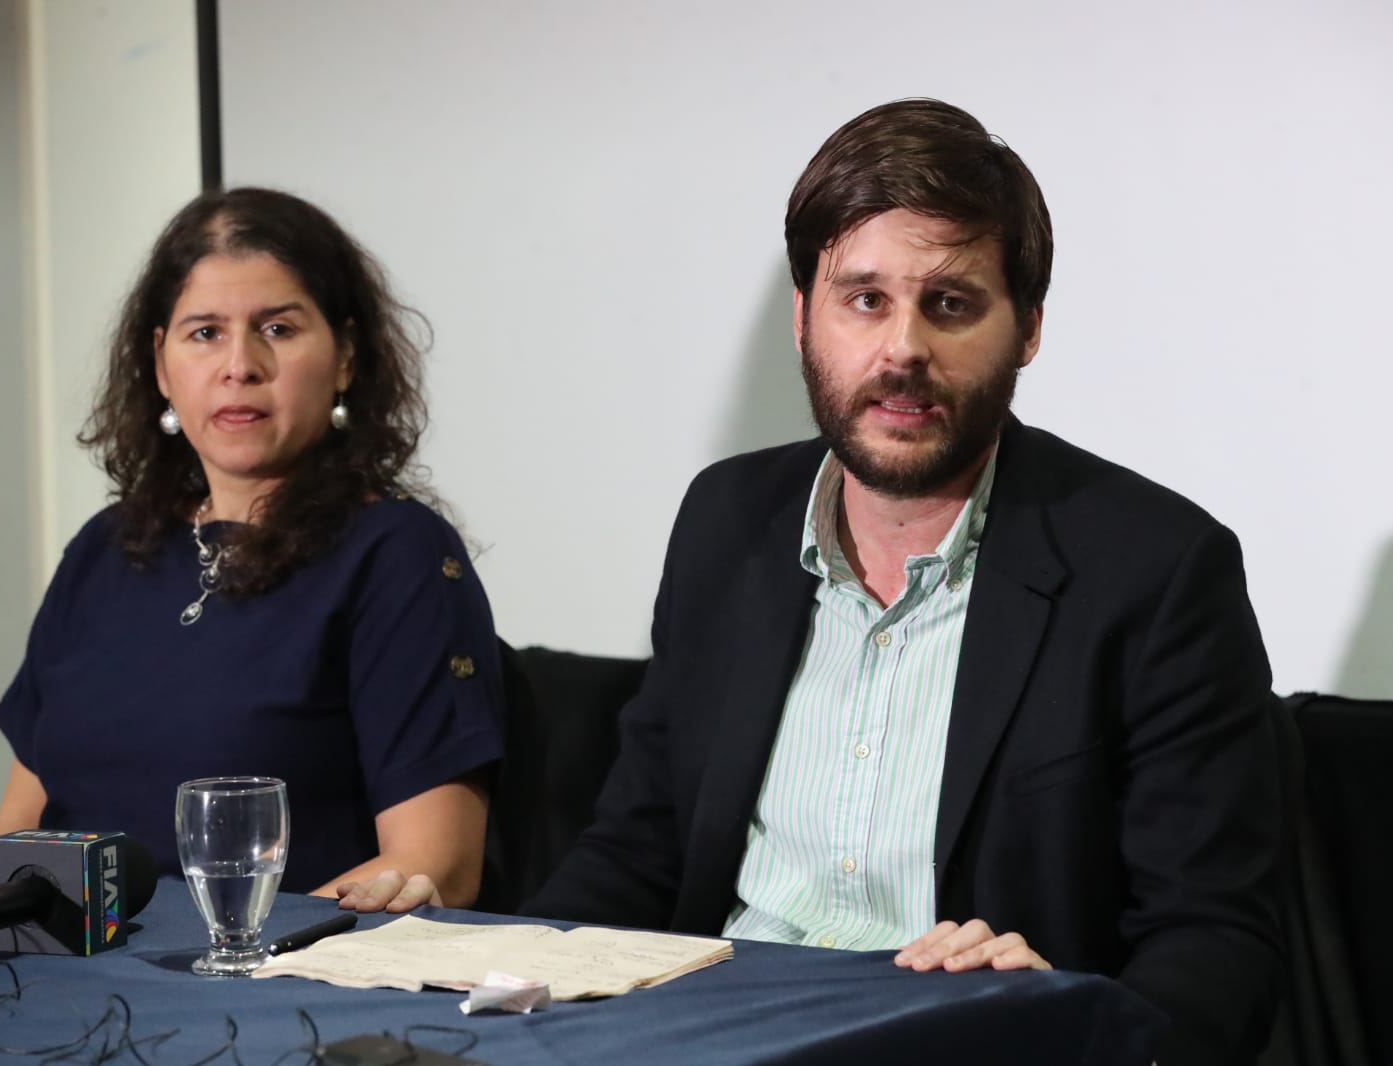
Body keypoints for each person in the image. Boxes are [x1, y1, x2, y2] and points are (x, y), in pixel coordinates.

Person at [351, 99, 1285, 1065]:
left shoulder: (1156, 567)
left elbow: (1217, 940)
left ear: (1029, 328)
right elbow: (640, 850)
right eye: (865, 299)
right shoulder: (727, 521)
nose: (903, 350)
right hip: (707, 1036)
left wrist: (1064, 1023)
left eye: (951, 303)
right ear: (806, 317)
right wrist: (492, 984)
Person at [0, 188, 504, 905]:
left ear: (347, 358)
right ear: (162, 367)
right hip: (58, 983)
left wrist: (238, 959)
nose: (240, 365)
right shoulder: (102, 551)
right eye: (204, 333)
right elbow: (16, 839)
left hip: (275, 992)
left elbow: (433, 868)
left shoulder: (396, 554)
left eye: (280, 329)